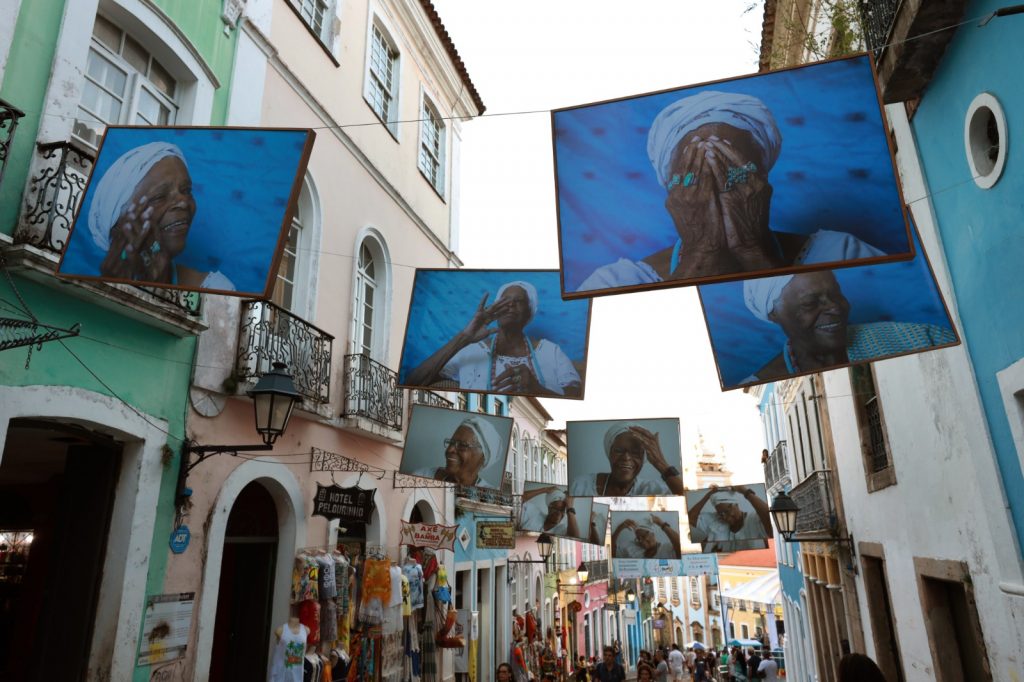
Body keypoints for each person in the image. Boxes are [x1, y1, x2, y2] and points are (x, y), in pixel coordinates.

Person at [577, 91, 888, 292]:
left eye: (732, 168)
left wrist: (753, 250)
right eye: (694, 173)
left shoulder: (840, 253)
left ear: (762, 177)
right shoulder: (616, 284)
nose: (714, 183)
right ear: (670, 191)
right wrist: (702, 251)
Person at [740, 270, 957, 383]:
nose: (835, 308)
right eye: (810, 303)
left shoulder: (920, 338)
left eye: (836, 294)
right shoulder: (763, 380)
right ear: (774, 314)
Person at [89, 141, 235, 290]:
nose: (183, 202)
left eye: (186, 190)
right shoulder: (86, 287)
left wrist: (162, 285)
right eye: (159, 197)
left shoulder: (217, 289)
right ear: (117, 225)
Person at [406, 280, 582, 396]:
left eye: (519, 301)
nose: (511, 304)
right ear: (496, 309)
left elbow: (575, 392)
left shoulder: (550, 351)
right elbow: (413, 381)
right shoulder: (472, 350)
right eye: (505, 301)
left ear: (530, 311)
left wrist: (537, 389)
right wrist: (465, 337)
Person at [569, 423, 684, 496]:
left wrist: (661, 464)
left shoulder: (656, 490)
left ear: (644, 457)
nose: (626, 457)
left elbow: (690, 506)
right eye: (619, 451)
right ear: (609, 453)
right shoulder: (582, 485)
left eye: (635, 452)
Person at [412, 416, 503, 488]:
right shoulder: (421, 476)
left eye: (462, 445)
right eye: (451, 442)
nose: (449, 450)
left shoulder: (490, 494)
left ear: (483, 457)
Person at [687, 485, 772, 552]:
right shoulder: (715, 520)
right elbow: (690, 518)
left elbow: (772, 522)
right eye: (720, 513)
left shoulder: (754, 519)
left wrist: (746, 492)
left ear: (736, 505)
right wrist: (709, 494)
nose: (724, 517)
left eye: (727, 511)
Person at [612, 514, 681, 559]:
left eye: (644, 536)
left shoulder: (666, 549)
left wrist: (662, 524)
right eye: (638, 538)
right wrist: (619, 528)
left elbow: (680, 547)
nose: (642, 542)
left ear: (653, 534)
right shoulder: (630, 547)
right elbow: (611, 553)